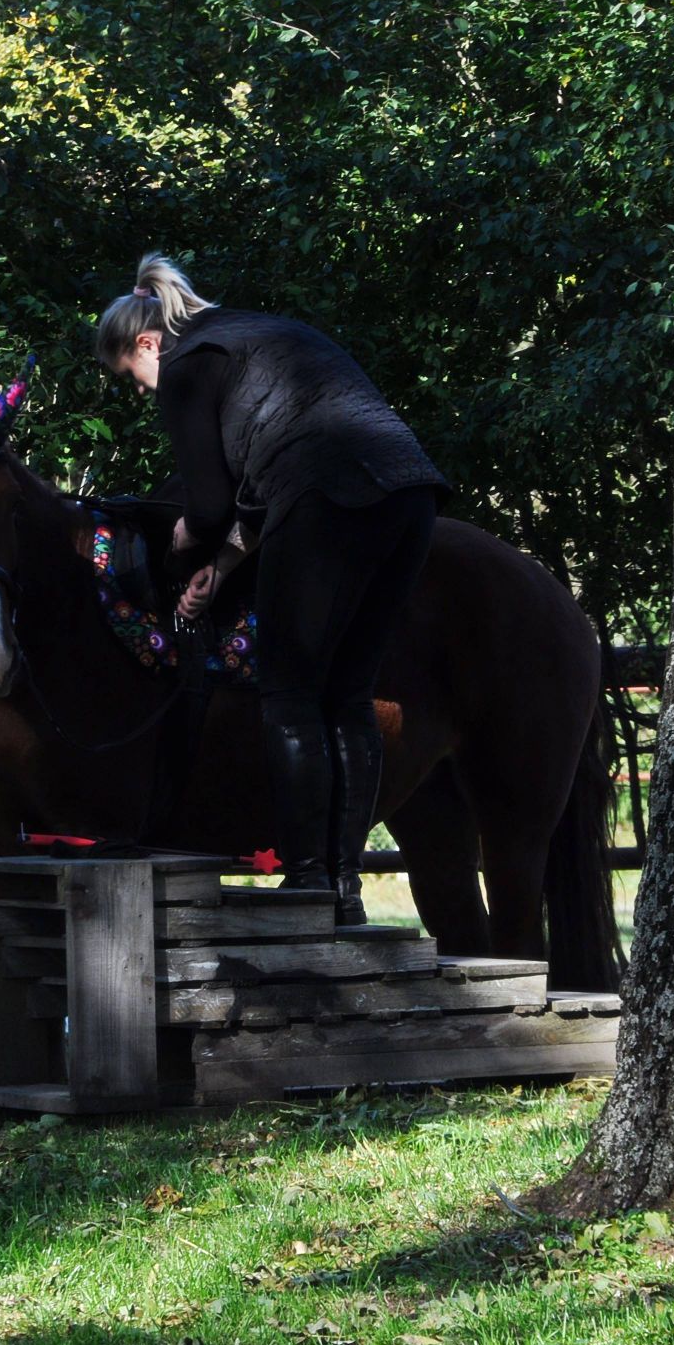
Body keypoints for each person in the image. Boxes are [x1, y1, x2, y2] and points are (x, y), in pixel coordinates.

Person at [97, 253, 446, 924]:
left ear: (146, 344)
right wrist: (221, 569)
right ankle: (345, 890)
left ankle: (309, 878)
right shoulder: (259, 336)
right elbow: (256, 501)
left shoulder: (189, 363)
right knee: (347, 694)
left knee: (289, 690)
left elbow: (208, 507)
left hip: (325, 499)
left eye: (131, 377)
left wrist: (183, 545)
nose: (141, 391)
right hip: (409, 495)